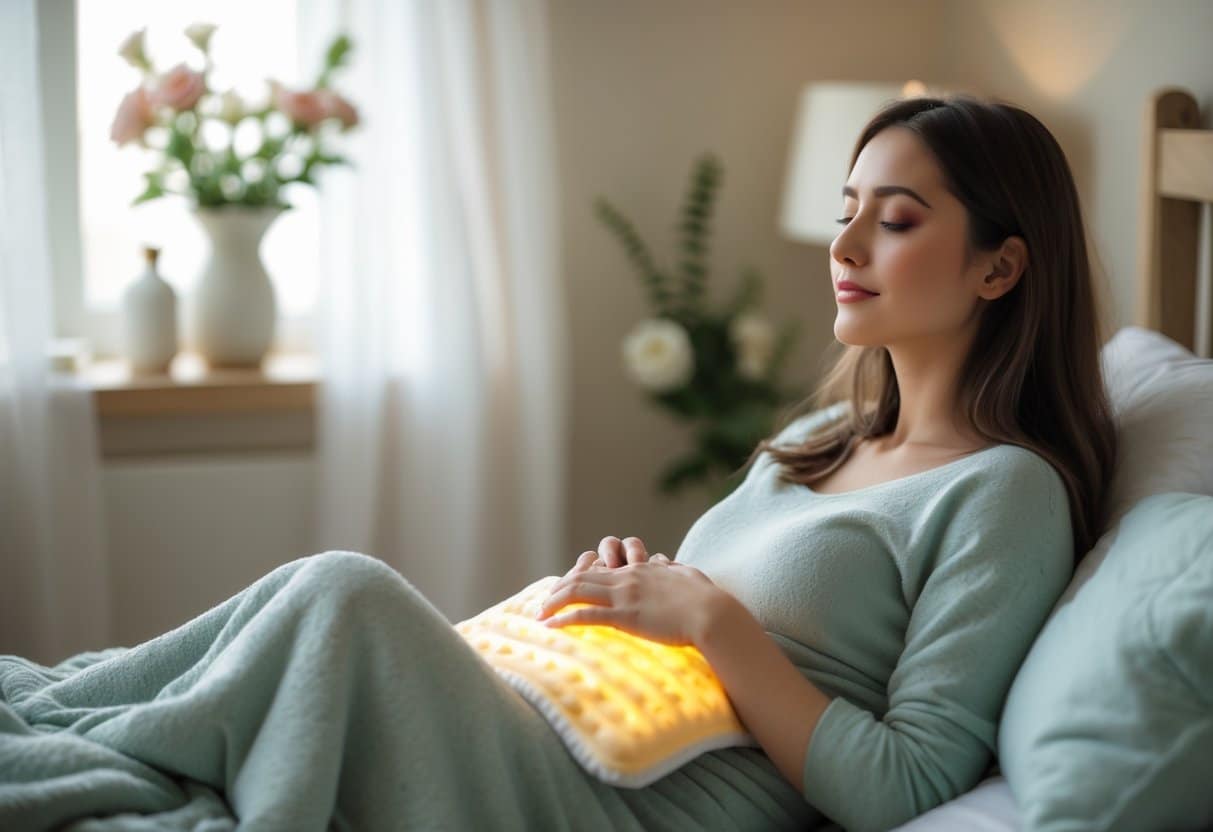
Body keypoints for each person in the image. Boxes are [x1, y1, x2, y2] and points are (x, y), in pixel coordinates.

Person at [0, 95, 1116, 832]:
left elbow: (906, 785)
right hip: (584, 720)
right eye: (845, 213)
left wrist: (709, 619)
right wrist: (637, 583)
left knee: (344, 594)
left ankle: (73, 733)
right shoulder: (818, 446)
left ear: (999, 267)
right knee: (328, 608)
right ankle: (62, 722)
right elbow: (701, 601)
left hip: (654, 798)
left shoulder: (1003, 490)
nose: (844, 245)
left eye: (899, 219)